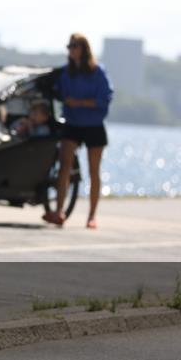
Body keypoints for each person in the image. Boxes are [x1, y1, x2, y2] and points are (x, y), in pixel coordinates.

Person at [44, 33, 113, 229]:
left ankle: (92, 216)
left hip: (94, 124)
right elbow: (56, 91)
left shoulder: (98, 72)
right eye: (69, 46)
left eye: (75, 46)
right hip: (72, 123)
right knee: (64, 165)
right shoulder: (66, 73)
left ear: (84, 49)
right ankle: (59, 211)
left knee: (93, 170)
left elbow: (105, 98)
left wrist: (81, 103)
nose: (71, 50)